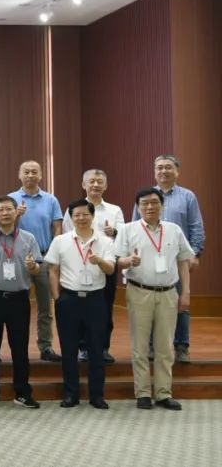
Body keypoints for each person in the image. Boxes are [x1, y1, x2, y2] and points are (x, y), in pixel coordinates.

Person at [117, 187, 194, 410]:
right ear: (138, 207)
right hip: (139, 291)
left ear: (162, 205)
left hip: (168, 292)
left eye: (154, 202)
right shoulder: (127, 229)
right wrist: (128, 261)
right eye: (144, 203)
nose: (150, 207)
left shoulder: (174, 230)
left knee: (165, 346)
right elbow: (117, 259)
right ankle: (142, 392)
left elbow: (184, 262)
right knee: (140, 345)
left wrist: (186, 292)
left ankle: (163, 393)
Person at [132, 155, 205, 364]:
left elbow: (196, 227)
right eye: (159, 168)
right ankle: (152, 346)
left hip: (178, 260)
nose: (163, 171)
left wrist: (195, 254)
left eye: (168, 167)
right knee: (151, 303)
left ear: (177, 171)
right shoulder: (145, 196)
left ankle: (181, 346)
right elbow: (134, 226)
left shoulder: (188, 196)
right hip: (148, 259)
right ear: (154, 171)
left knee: (181, 303)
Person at [45, 199, 116, 409]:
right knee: (68, 349)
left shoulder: (105, 241)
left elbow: (111, 270)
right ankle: (70, 394)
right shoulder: (60, 241)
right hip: (69, 299)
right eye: (77, 215)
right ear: (71, 218)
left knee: (96, 349)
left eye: (85, 214)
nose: (81, 218)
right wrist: (56, 297)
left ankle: (97, 396)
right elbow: (52, 270)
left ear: (92, 216)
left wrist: (99, 261)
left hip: (96, 300)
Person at [0, 195, 42, 409]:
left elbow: (37, 269)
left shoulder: (28, 238)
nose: (5, 213)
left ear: (16, 212)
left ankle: (22, 392)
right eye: (0, 210)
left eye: (8, 209)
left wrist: (32, 267)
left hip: (19, 299)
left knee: (20, 347)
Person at [61, 169, 124, 364]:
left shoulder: (115, 210)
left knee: (105, 307)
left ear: (105, 186)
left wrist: (114, 232)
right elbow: (67, 235)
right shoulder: (74, 209)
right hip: (78, 266)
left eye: (99, 182)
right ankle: (83, 348)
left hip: (106, 265)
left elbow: (123, 238)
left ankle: (103, 347)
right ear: (84, 185)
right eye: (91, 181)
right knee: (80, 309)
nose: (95, 185)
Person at [8, 160, 63, 363]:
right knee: (17, 307)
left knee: (45, 307)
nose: (30, 175)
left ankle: (46, 346)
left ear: (40, 175)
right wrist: (16, 216)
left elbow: (57, 228)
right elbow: (5, 229)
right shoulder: (11, 199)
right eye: (26, 172)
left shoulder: (51, 200)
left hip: (44, 258)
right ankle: (18, 348)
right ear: (19, 175)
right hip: (17, 259)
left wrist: (56, 255)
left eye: (34, 172)